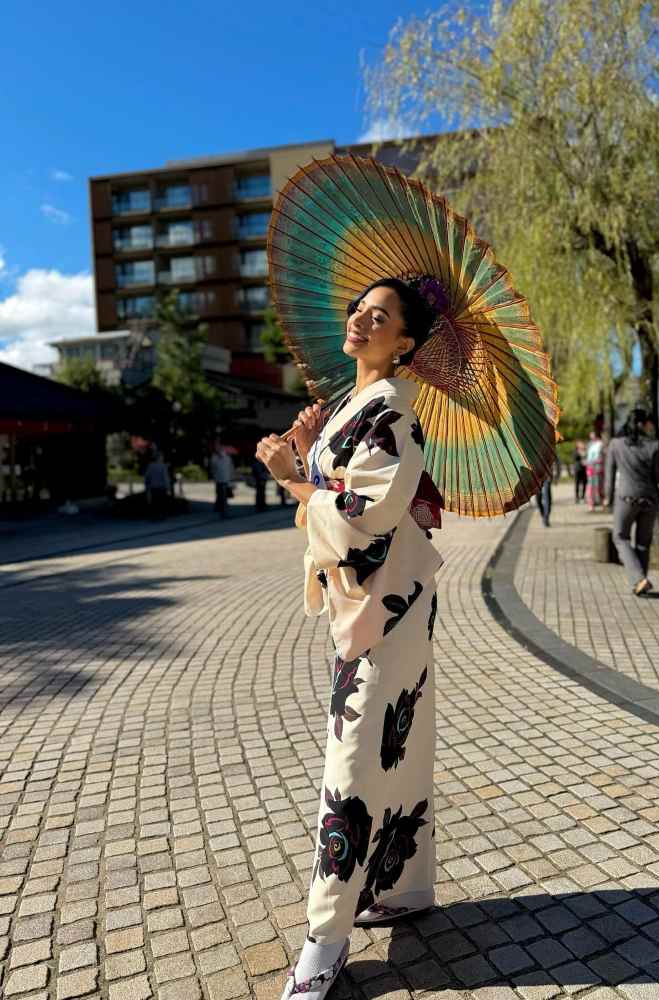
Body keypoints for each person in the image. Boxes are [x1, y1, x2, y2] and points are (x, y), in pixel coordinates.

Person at [256, 277, 444, 1000]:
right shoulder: (350, 408)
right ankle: (405, 883)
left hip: (384, 607)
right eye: (358, 311)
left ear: (404, 343)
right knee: (398, 735)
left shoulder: (392, 408)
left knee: (356, 754)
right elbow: (336, 492)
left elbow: (365, 515)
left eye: (380, 316)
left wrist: (289, 481)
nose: (361, 321)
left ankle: (325, 936)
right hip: (381, 601)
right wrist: (306, 452)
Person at [604, 409, 659, 596]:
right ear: (644, 424)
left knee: (620, 537)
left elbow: (609, 474)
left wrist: (607, 497)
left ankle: (638, 579)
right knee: (643, 543)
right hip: (651, 500)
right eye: (650, 423)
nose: (652, 426)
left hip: (626, 499)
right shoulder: (654, 446)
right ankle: (641, 581)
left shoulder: (616, 444)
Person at [210, 441, 235, 518]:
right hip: (221, 480)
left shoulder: (224, 458)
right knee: (221, 496)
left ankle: (223, 511)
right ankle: (221, 509)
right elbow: (213, 468)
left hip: (223, 480)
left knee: (223, 496)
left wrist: (231, 478)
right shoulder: (216, 457)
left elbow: (230, 469)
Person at [144, 450, 170, 521]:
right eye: (162, 457)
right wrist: (168, 487)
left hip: (153, 488)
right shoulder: (163, 466)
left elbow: (147, 477)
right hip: (161, 488)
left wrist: (147, 487)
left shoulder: (150, 466)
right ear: (159, 458)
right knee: (161, 503)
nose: (163, 458)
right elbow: (165, 478)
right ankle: (161, 516)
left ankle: (154, 517)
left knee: (154, 503)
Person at [585, 430, 605, 511]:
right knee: (590, 487)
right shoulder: (589, 444)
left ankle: (603, 503)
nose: (591, 437)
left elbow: (603, 456)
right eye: (591, 436)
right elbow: (588, 456)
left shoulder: (601, 444)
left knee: (600, 487)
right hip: (590, 468)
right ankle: (591, 504)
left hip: (598, 468)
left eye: (593, 436)